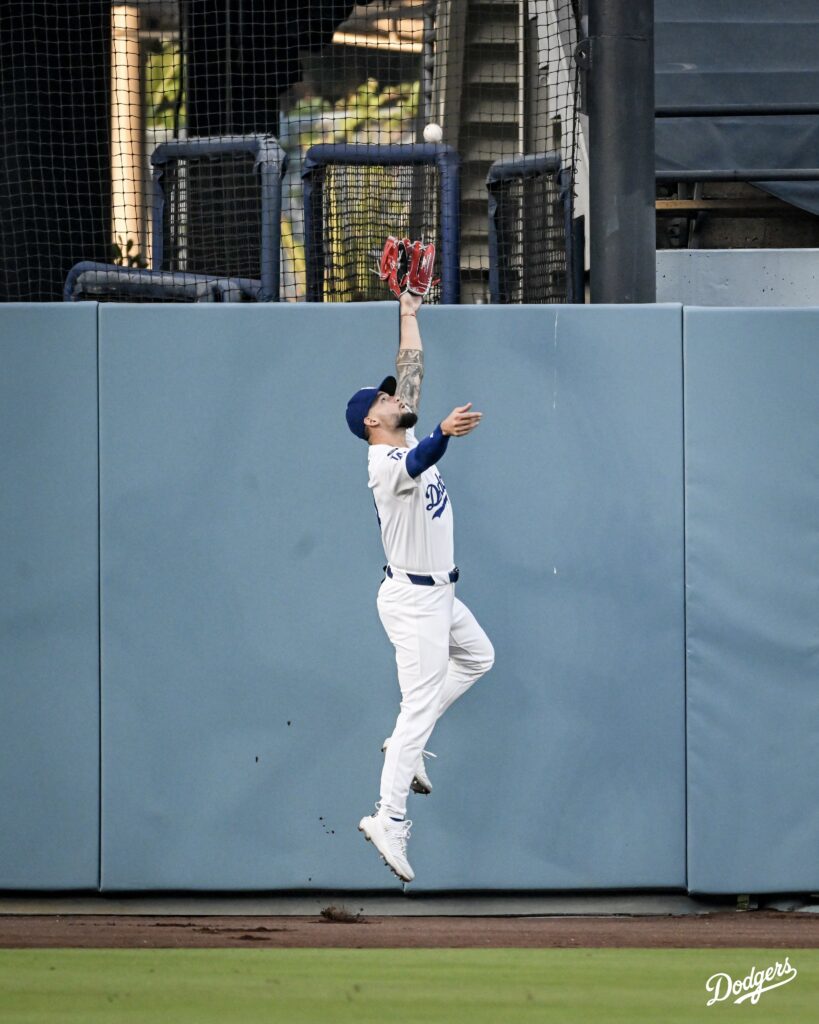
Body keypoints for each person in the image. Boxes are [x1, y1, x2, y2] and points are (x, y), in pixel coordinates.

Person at [345, 289, 495, 883]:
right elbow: (417, 459)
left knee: (479, 657)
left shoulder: (401, 435)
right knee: (414, 709)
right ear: (370, 421)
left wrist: (408, 310)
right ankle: (389, 818)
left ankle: (405, 746)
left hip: (439, 595)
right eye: (384, 398)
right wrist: (442, 432)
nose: (394, 396)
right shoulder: (385, 464)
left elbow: (411, 369)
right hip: (413, 600)